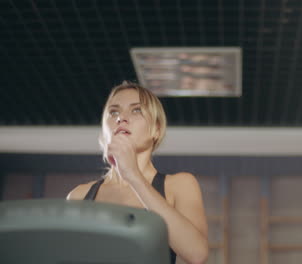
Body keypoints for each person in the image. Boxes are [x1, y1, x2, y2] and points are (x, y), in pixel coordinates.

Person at [67, 81, 208, 264]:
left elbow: (197, 255)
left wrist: (133, 175)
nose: (121, 118)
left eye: (136, 110)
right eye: (114, 112)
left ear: (156, 130)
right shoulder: (78, 196)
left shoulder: (179, 185)